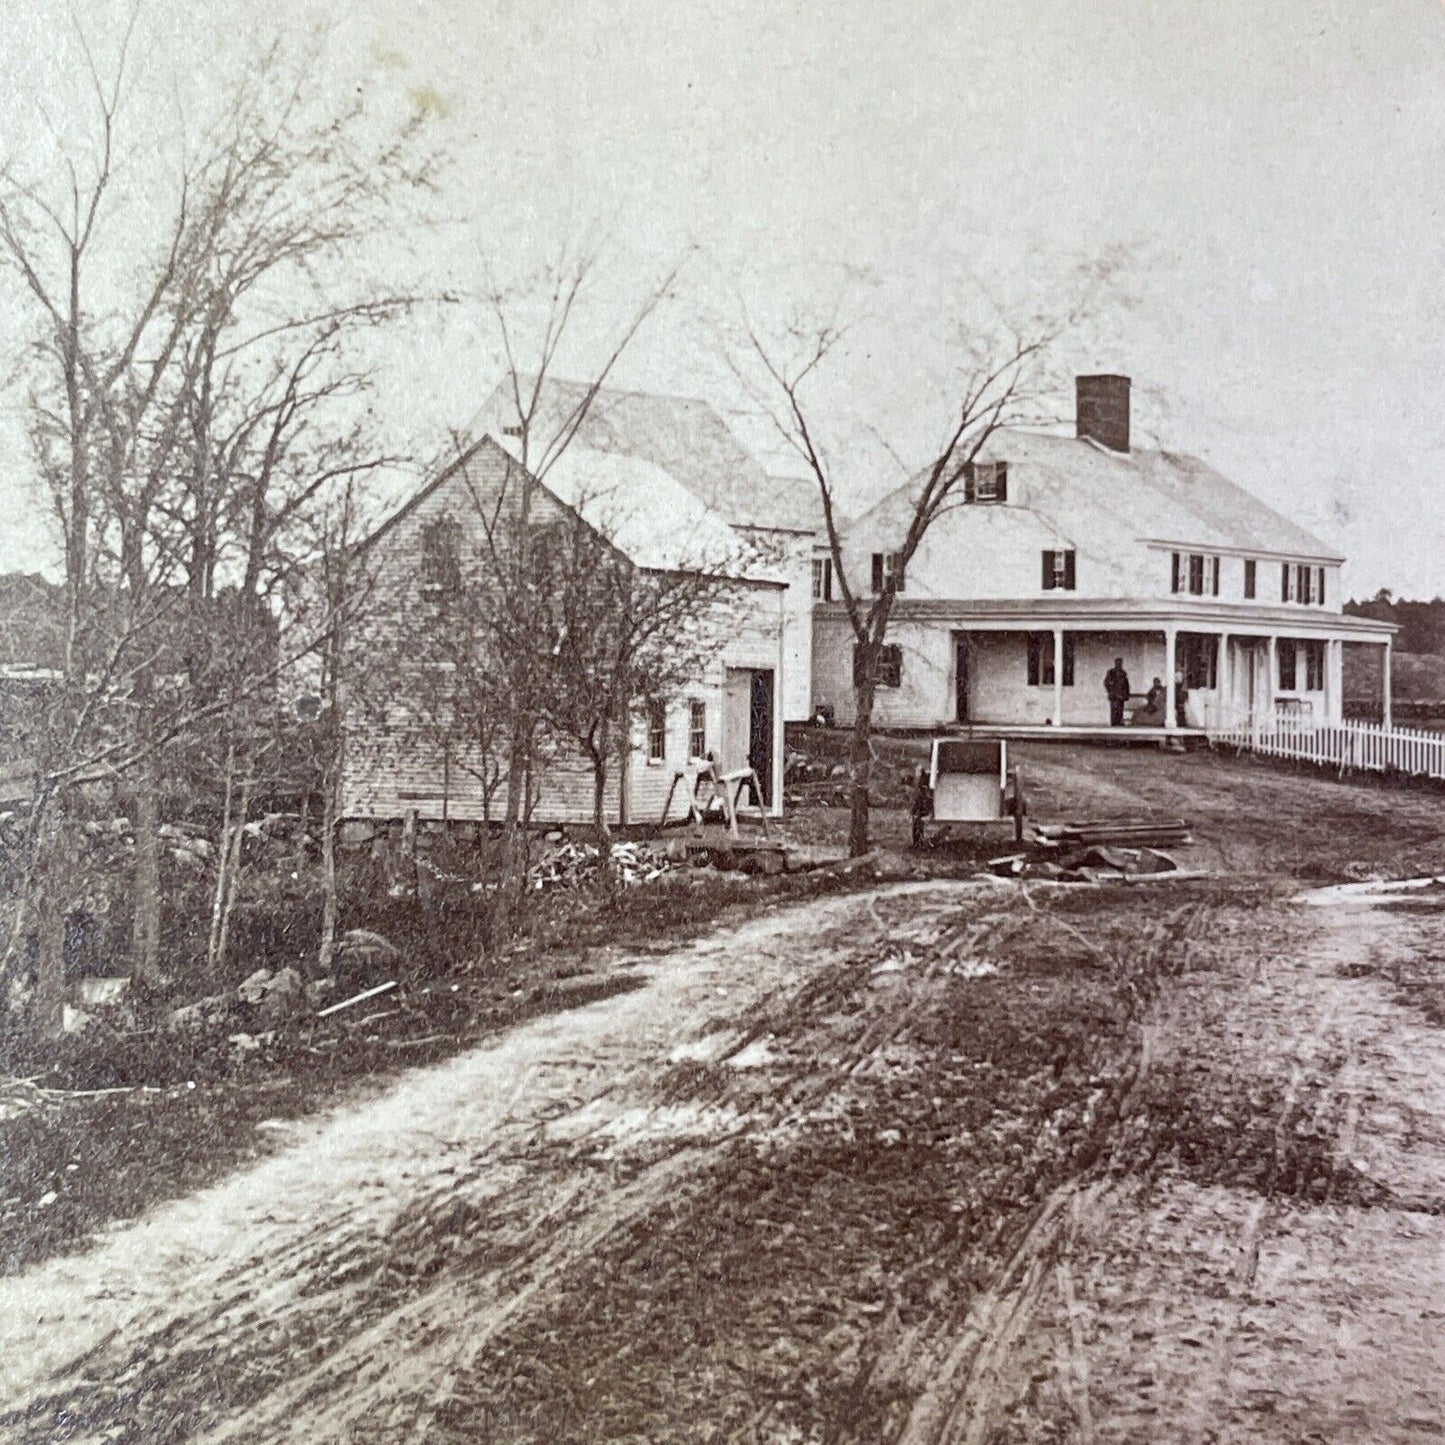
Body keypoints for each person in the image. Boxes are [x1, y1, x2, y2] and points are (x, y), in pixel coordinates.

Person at [1103, 656, 1131, 727]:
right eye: (1118, 663)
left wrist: (1126, 694)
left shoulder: (1123, 673)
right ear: (1115, 663)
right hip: (1114, 694)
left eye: (1120, 663)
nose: (1119, 664)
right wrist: (1110, 691)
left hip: (1121, 694)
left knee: (1120, 709)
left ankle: (1120, 722)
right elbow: (1106, 682)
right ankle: (1114, 723)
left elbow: (1126, 684)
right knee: (1114, 709)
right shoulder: (1111, 672)